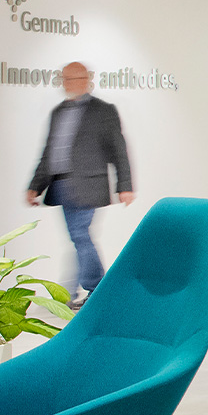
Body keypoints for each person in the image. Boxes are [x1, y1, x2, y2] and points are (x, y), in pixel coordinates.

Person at [25, 62, 133, 309]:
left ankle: (98, 288)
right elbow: (49, 153)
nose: (66, 84)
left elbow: (118, 150)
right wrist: (35, 186)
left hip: (89, 185)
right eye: (64, 79)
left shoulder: (104, 111)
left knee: (80, 235)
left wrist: (124, 184)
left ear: (86, 80)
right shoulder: (58, 112)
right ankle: (69, 291)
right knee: (78, 238)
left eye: (72, 79)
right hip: (61, 185)